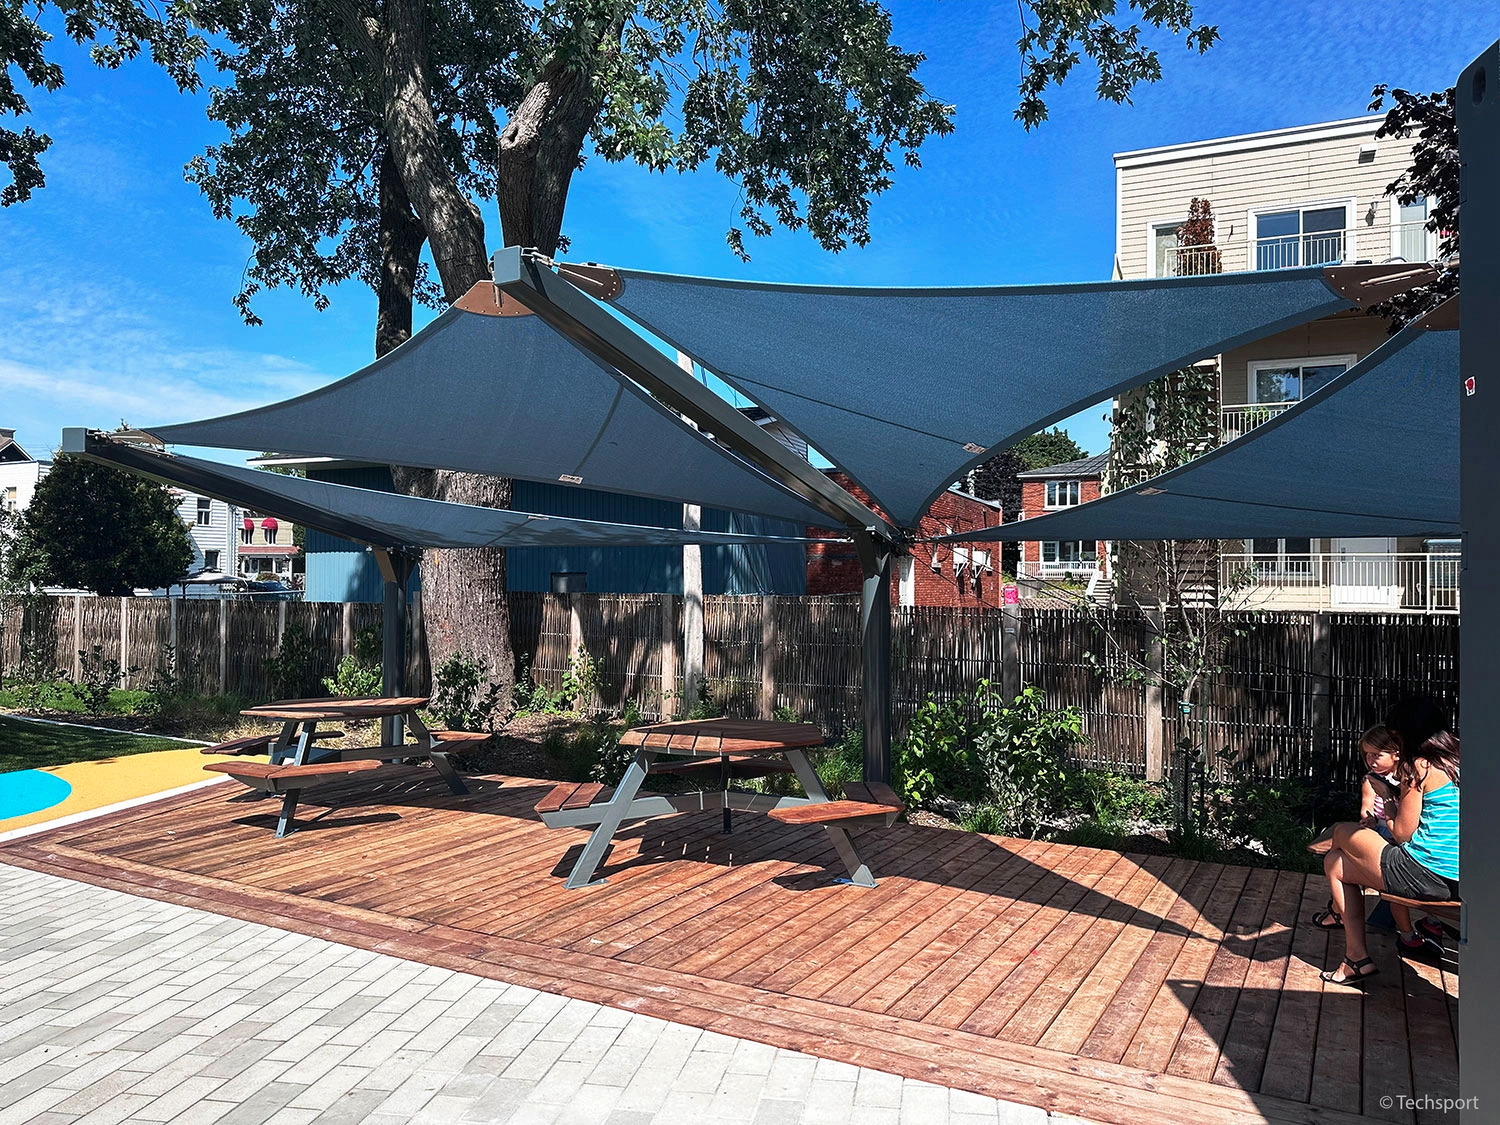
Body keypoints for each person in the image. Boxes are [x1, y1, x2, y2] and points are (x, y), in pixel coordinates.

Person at [1310, 729, 1461, 986]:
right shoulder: (1456, 764)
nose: (1370, 761)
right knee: (1335, 864)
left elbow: (1403, 835)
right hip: (1457, 876)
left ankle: (1340, 917)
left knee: (1343, 833)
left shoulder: (1420, 767)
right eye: (1366, 755)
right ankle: (1356, 960)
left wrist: (1388, 797)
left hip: (1427, 872)